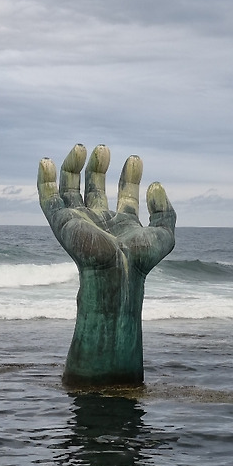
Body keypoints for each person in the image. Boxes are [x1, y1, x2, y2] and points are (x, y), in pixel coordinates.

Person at [37, 144, 176, 386]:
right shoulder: (118, 254)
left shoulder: (133, 254)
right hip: (129, 381)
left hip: (84, 383)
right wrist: (110, 265)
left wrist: (123, 262)